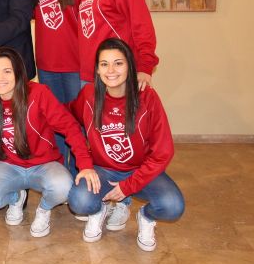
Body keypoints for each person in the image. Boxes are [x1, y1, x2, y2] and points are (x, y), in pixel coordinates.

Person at [67, 38, 184, 251]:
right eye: (104, 64)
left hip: (140, 170)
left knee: (172, 206)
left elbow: (163, 152)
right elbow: (68, 119)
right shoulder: (89, 94)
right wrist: (84, 163)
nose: (111, 70)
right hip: (102, 170)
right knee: (79, 202)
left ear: (130, 66)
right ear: (97, 69)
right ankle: (98, 211)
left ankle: (146, 217)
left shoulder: (147, 97)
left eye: (118, 63)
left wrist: (128, 186)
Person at [0, 47, 97, 238]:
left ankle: (44, 210)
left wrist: (85, 165)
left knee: (64, 187)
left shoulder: (38, 94)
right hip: (9, 166)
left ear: (19, 73)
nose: (0, 78)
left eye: (7, 71)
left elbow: (70, 127)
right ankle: (16, 197)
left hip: (44, 165)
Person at [27, 0, 88, 176]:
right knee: (57, 123)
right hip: (47, 65)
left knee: (81, 124)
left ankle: (82, 175)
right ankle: (63, 177)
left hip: (76, 65)